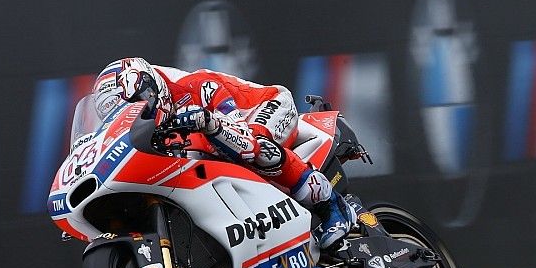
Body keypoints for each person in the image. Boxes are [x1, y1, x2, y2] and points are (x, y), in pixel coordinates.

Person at [92, 57, 357, 249]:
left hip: (267, 107)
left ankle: (332, 205)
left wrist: (209, 122)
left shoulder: (195, 85)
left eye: (138, 102)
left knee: (255, 148)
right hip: (229, 133)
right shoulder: (156, 125)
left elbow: (241, 136)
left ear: (150, 88)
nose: (137, 112)